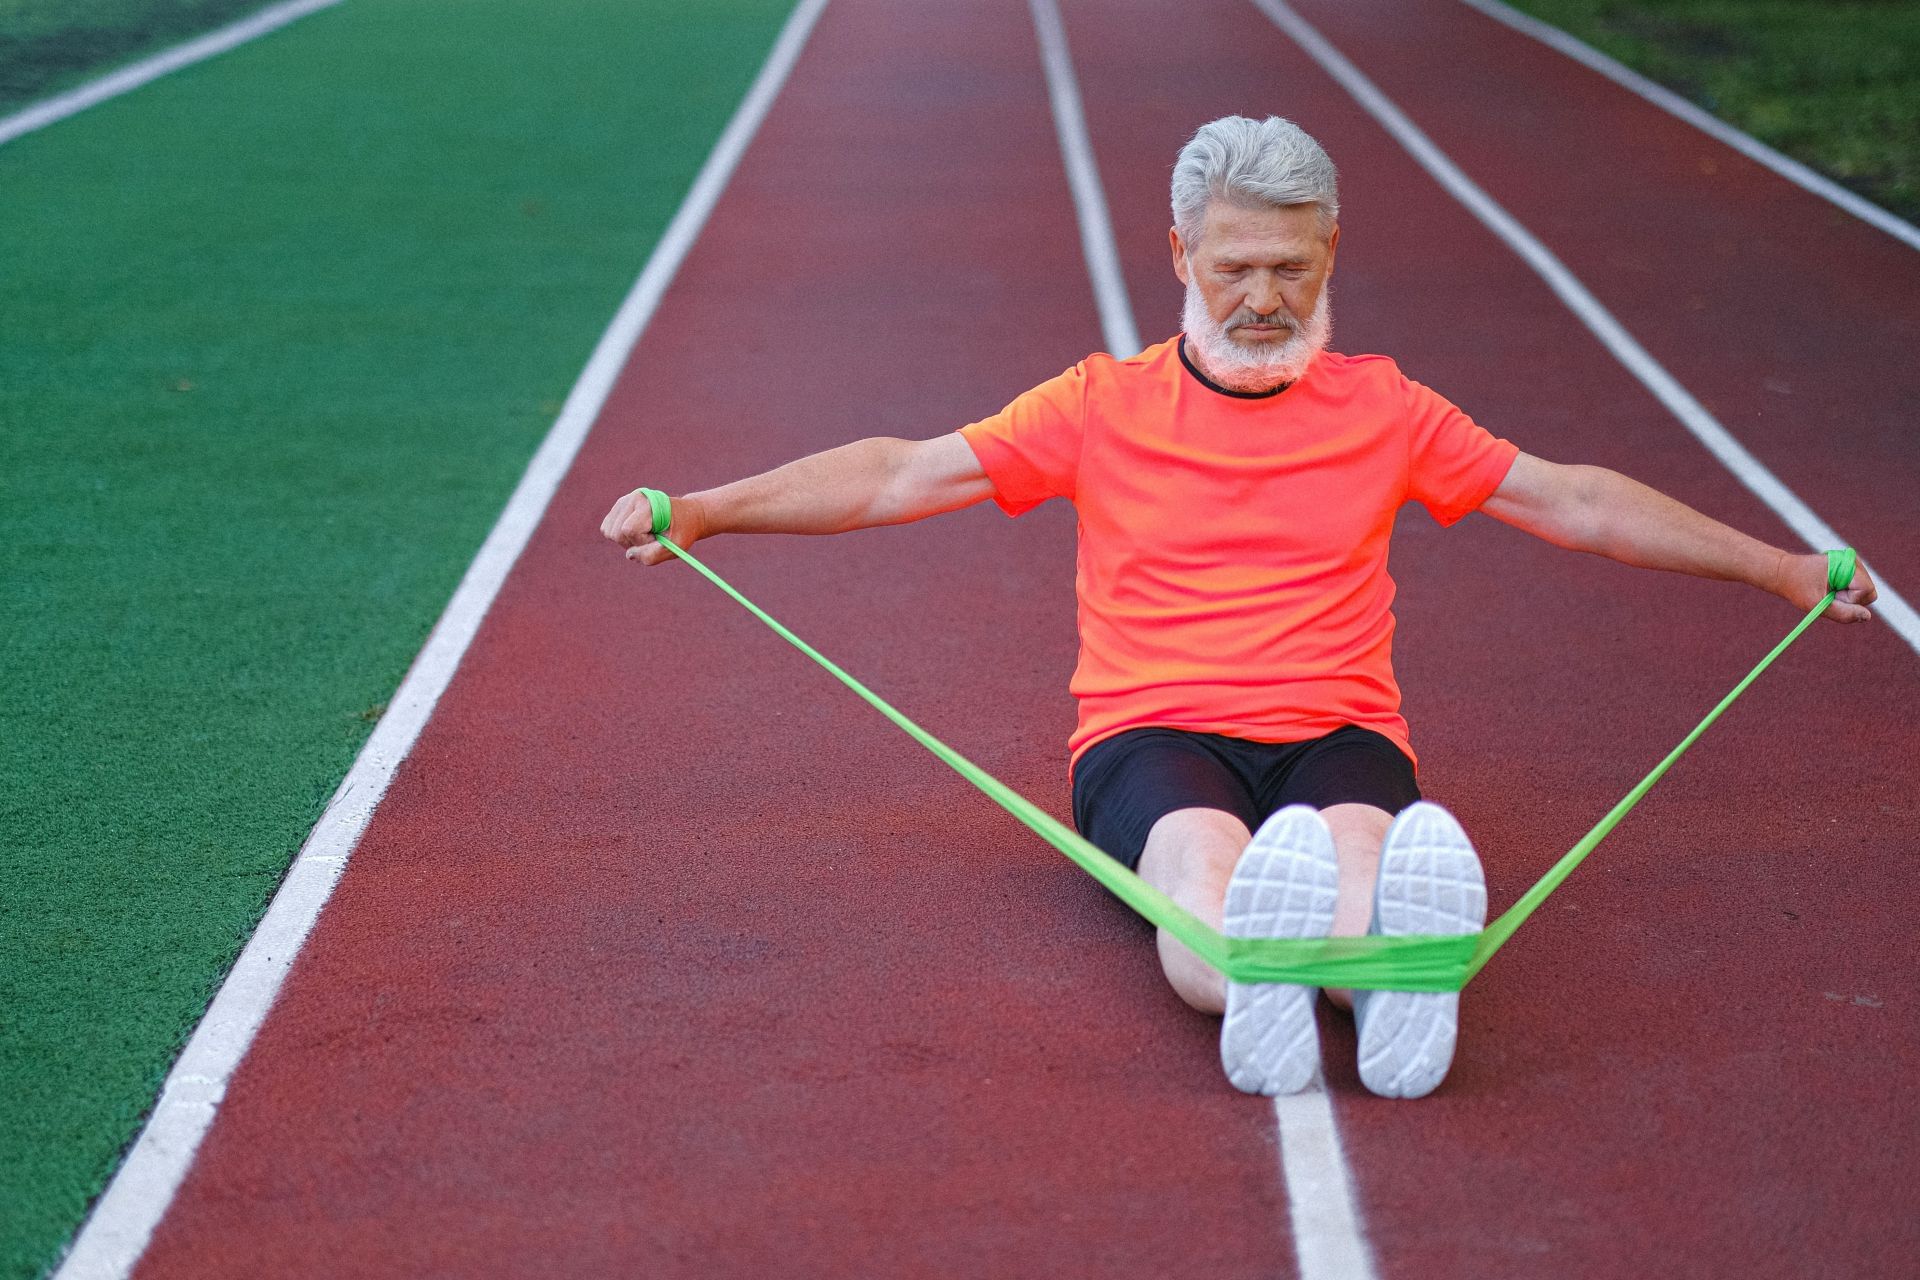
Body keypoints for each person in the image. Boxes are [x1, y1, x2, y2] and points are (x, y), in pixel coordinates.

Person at [601, 115, 1876, 1099]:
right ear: (1179, 255)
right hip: (1152, 734)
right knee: (1200, 869)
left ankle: (1386, 1004)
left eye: (1292, 264)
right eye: (1236, 266)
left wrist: (1777, 568)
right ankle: (1303, 990)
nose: (1264, 296)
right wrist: (707, 507)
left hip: (1338, 728)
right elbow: (896, 472)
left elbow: (1576, 502)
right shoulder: (1102, 404)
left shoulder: (1384, 407)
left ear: (1332, 253)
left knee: (1372, 853)